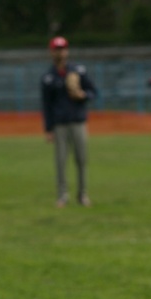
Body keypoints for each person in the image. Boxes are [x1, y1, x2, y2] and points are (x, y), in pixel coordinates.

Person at [40, 36, 97, 208]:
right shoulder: (48, 77)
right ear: (51, 52)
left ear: (67, 51)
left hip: (78, 121)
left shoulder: (78, 71)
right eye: (57, 49)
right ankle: (62, 195)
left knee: (81, 159)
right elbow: (46, 105)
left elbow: (93, 91)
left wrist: (83, 95)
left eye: (63, 48)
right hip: (59, 124)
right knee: (61, 160)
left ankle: (82, 194)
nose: (60, 52)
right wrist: (48, 128)